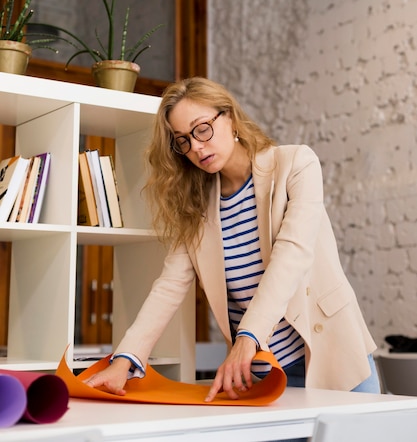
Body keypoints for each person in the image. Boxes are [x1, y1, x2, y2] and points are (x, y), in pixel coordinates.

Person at [85, 76, 380, 400]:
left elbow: (290, 257)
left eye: (202, 129)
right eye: (183, 140)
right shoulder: (197, 206)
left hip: (333, 356)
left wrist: (247, 336)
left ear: (231, 118)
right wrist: (124, 360)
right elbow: (168, 287)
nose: (196, 147)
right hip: (263, 375)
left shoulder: (295, 164)